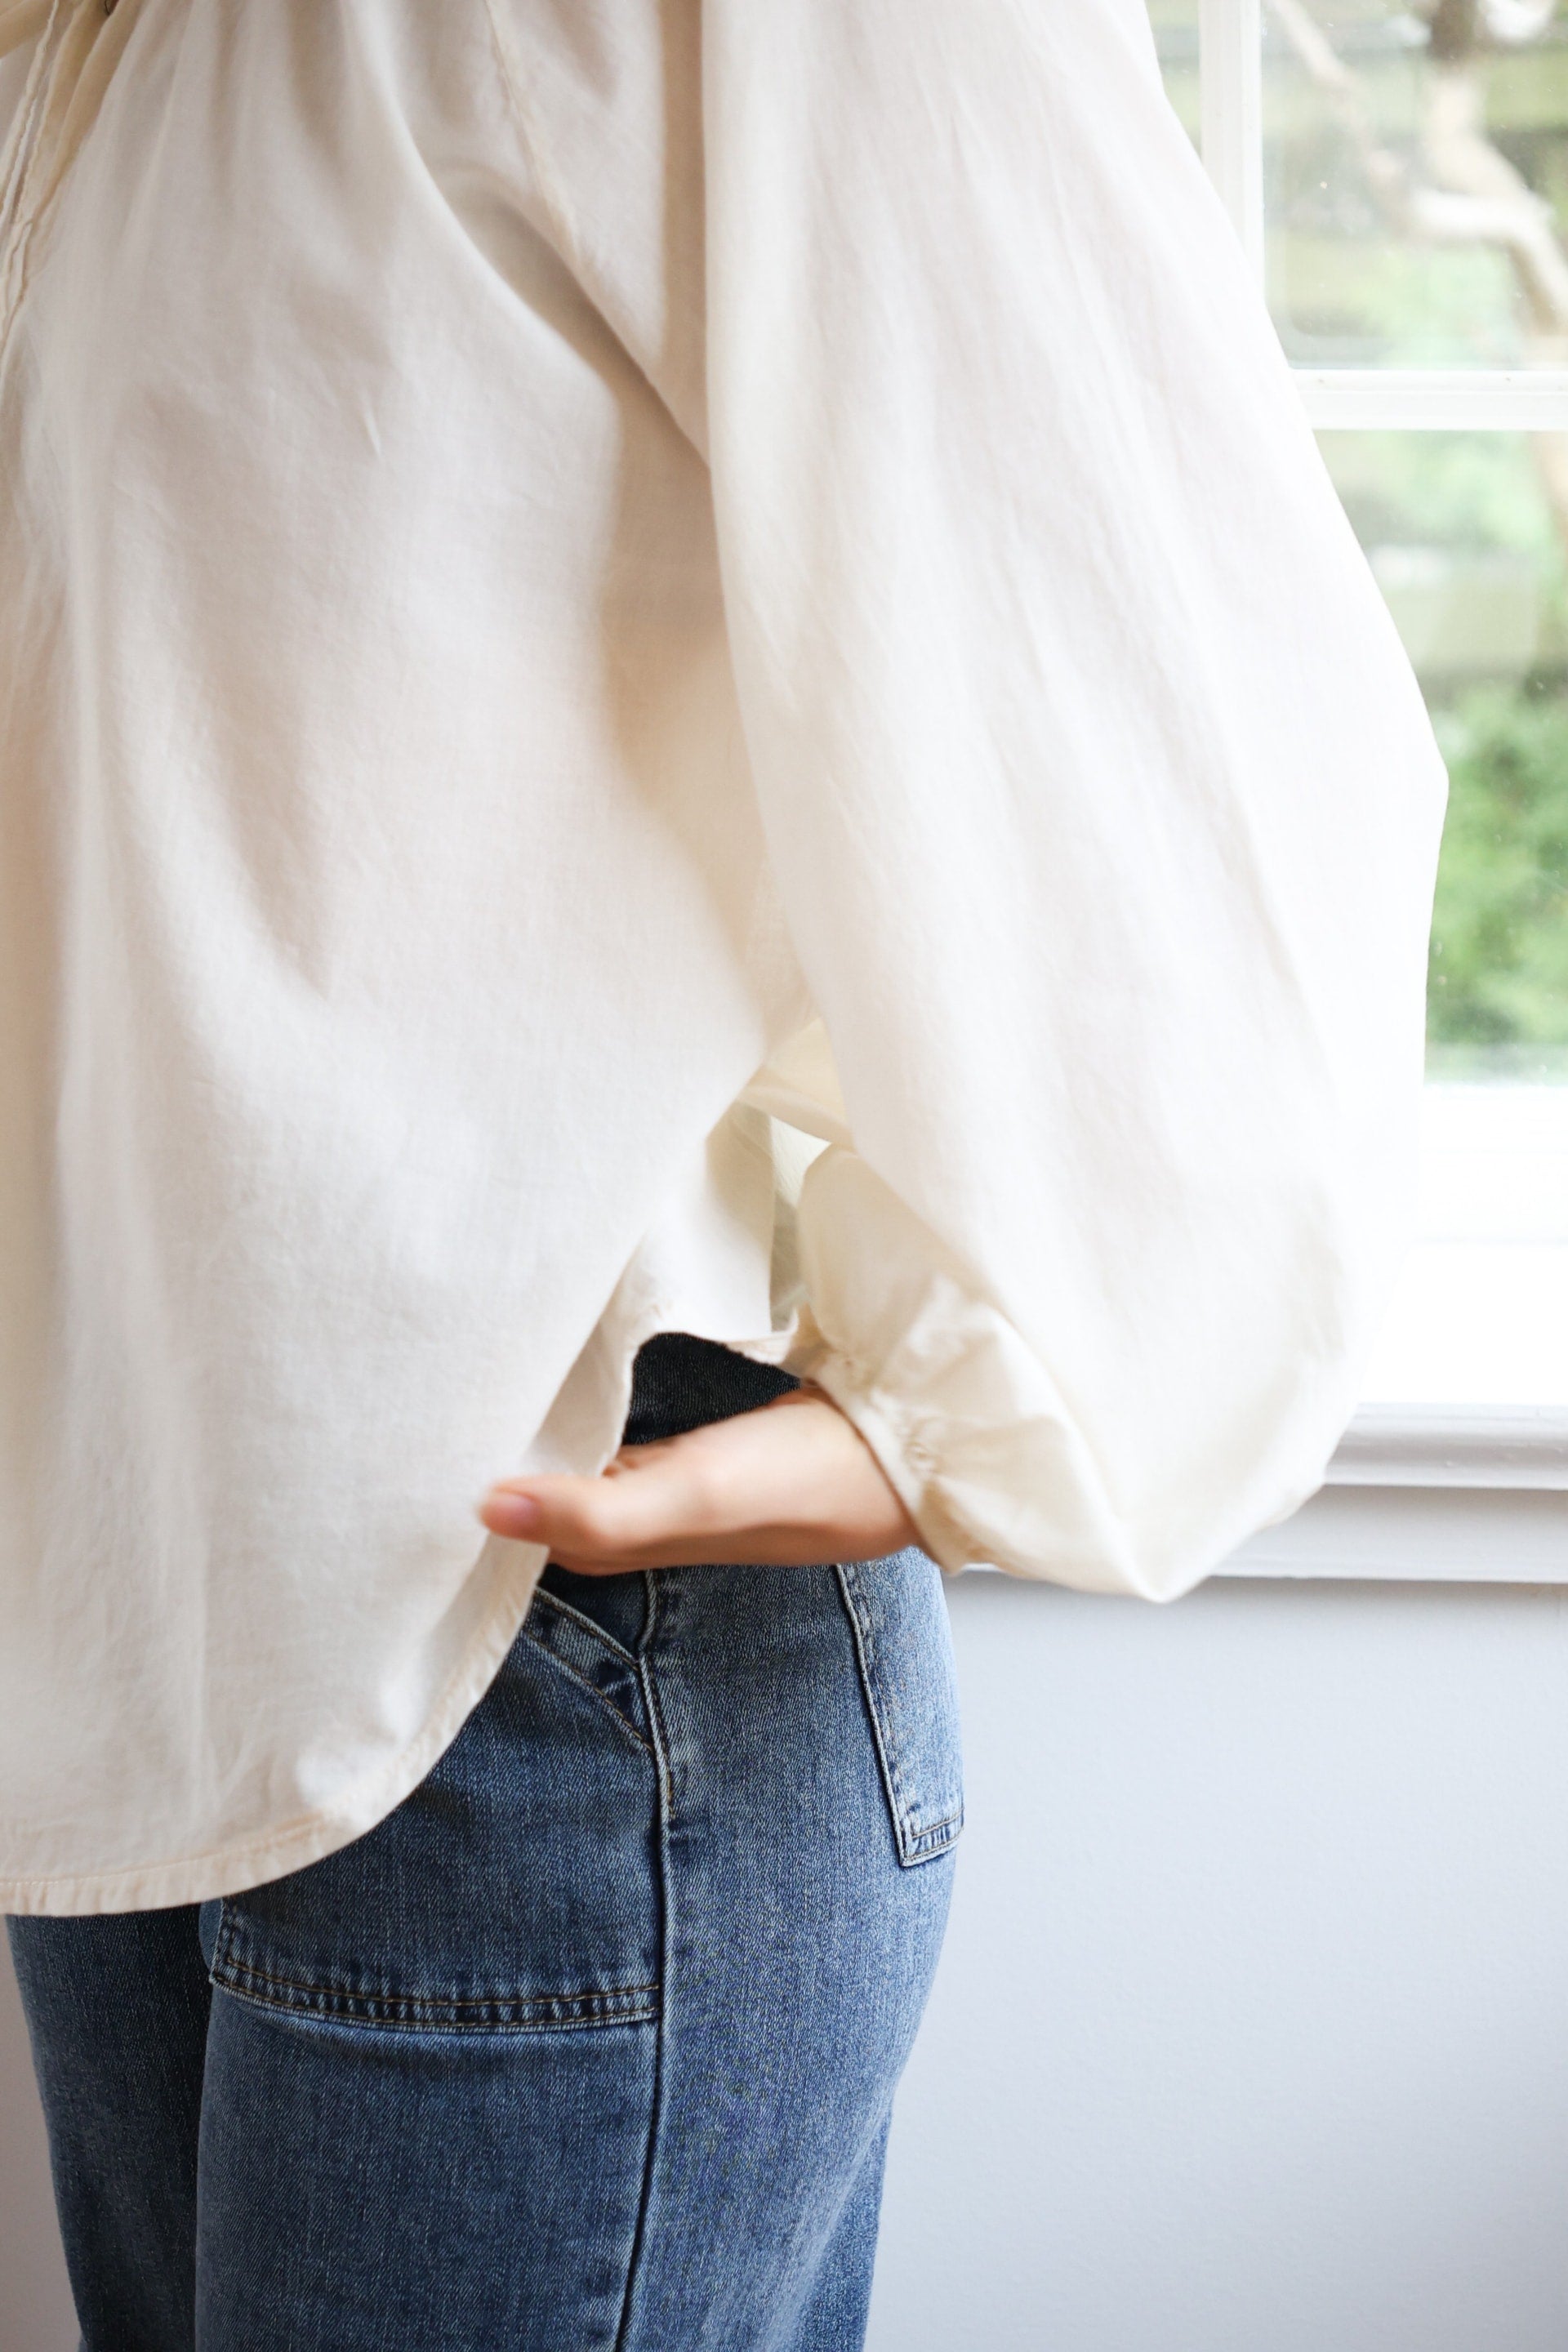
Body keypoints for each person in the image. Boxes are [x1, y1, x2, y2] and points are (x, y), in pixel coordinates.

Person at [0, 0, 1445, 2345]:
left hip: (553, 1641)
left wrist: (950, 1417)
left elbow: (1186, 693)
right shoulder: (108, 42)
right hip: (143, 1589)